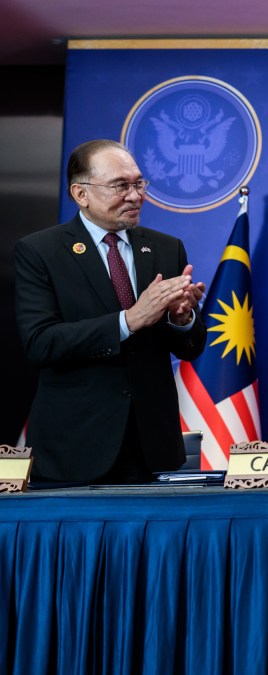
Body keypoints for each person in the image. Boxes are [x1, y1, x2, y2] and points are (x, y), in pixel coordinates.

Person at [15, 140, 206, 483]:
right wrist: (128, 321)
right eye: (120, 185)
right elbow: (41, 342)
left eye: (138, 183)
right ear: (80, 194)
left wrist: (181, 321)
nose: (135, 196)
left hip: (152, 448)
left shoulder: (165, 248)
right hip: (74, 448)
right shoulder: (40, 252)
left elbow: (190, 348)